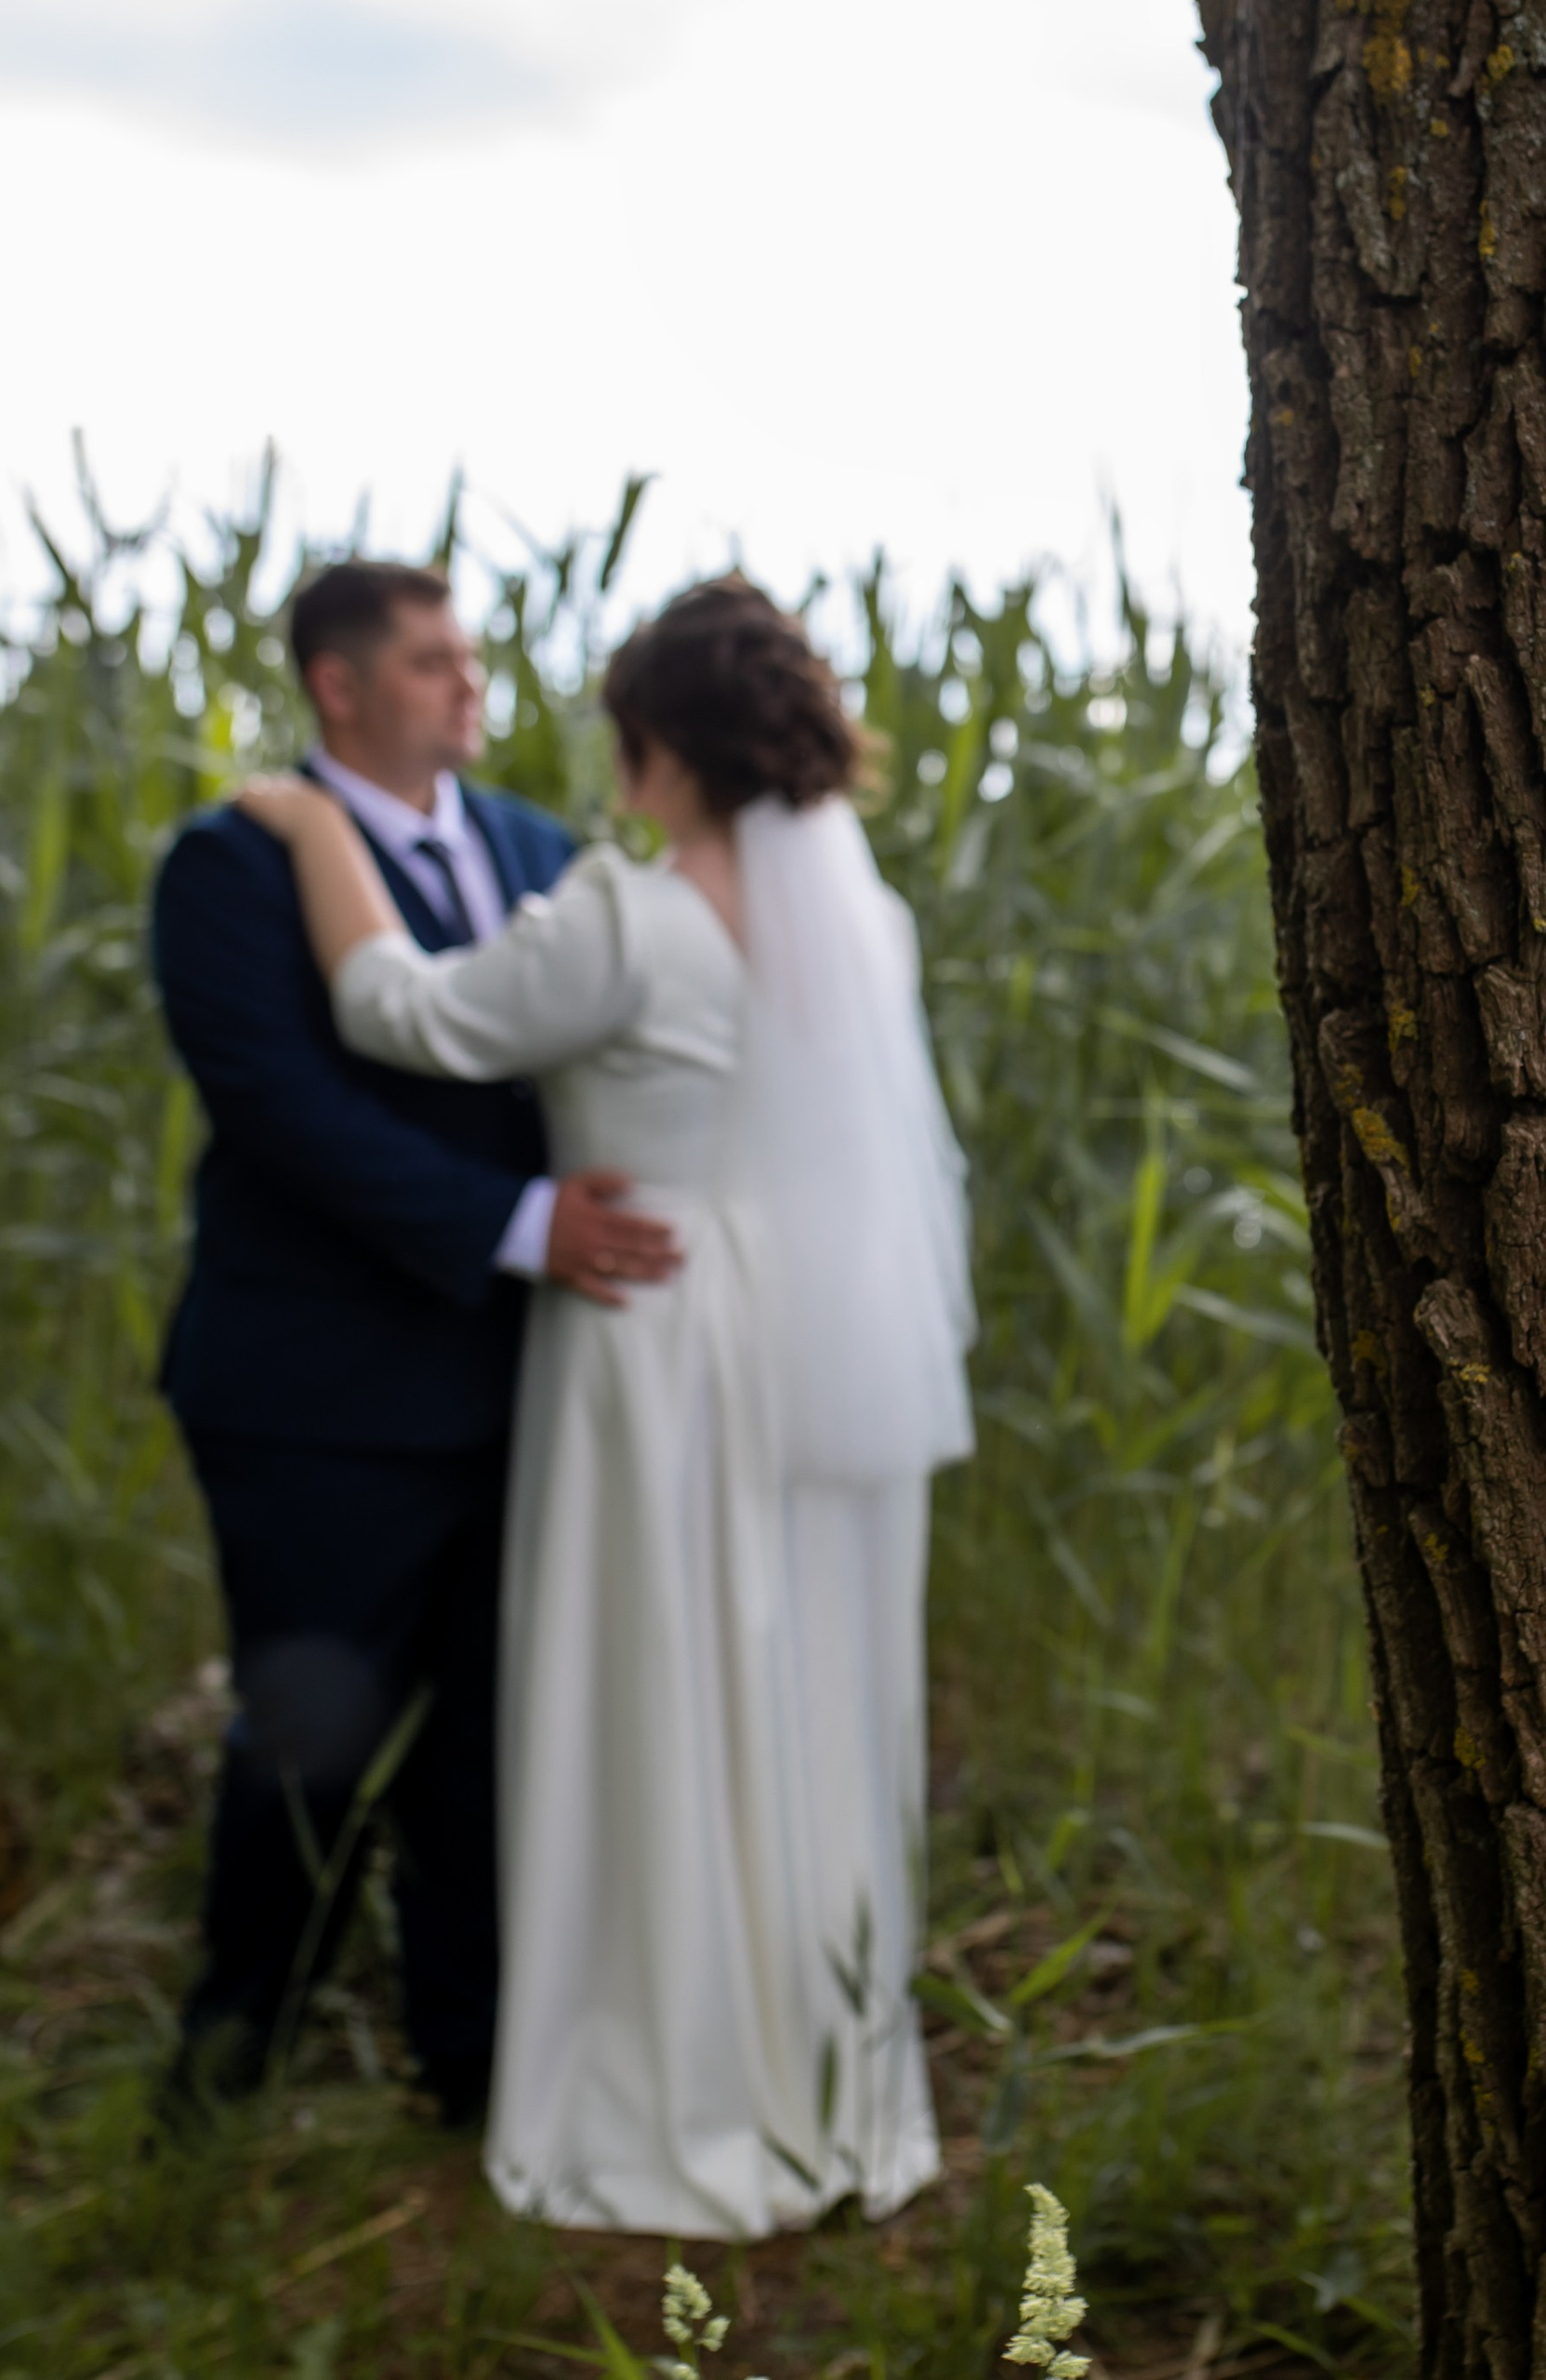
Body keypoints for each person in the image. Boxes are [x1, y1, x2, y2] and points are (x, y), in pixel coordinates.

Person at [231, 576, 976, 2238]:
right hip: (808, 1327)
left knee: (661, 1680)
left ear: (661, 742)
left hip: (656, 1329)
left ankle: (672, 2072)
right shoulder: (861, 921)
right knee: (790, 1679)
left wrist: (309, 826)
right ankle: (820, 2074)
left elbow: (400, 1010)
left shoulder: (621, 918)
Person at [152, 562, 681, 2124]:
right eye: (433, 660)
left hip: (519, 1377)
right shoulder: (229, 866)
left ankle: (473, 2066)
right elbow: (284, 1111)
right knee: (308, 1738)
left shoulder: (532, 847)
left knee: (490, 1749)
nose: (469, 682)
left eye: (468, 655)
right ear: (339, 684)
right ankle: (229, 2074)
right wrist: (521, 1224)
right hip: (317, 1397)